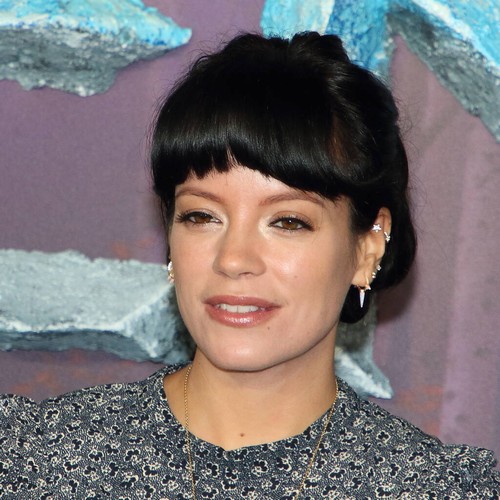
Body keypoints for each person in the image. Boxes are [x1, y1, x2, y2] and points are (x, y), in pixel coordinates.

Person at [1, 32, 498, 499]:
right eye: (201, 216)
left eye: (287, 221)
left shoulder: (441, 488)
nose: (233, 259)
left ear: (367, 248)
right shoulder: (32, 462)